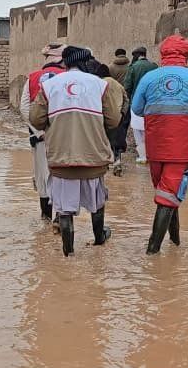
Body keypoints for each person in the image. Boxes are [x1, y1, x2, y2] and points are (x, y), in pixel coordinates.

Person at [30, 47, 124, 256]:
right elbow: (113, 120)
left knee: (64, 208)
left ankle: (69, 253)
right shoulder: (100, 85)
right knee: (97, 201)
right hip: (94, 157)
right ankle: (99, 239)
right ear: (86, 63)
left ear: (65, 63)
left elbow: (35, 119)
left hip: (61, 158)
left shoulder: (49, 86)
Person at [131, 35, 188, 254]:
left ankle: (175, 242)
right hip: (182, 147)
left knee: (166, 195)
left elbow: (137, 108)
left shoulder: (149, 78)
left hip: (155, 146)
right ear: (187, 55)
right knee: (168, 195)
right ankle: (153, 252)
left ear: (162, 54)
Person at [20, 43, 66, 223]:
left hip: (39, 137)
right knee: (63, 176)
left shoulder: (32, 78)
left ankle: (45, 220)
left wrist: (38, 131)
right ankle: (61, 219)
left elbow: (24, 108)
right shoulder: (69, 76)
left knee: (42, 175)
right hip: (64, 137)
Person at [91, 61, 130, 176]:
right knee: (117, 141)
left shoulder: (100, 84)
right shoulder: (118, 84)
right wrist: (122, 113)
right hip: (118, 117)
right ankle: (117, 161)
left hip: (104, 117)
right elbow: (126, 100)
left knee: (105, 141)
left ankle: (106, 164)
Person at [124, 47, 159, 164]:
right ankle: (151, 154)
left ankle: (143, 156)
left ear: (136, 55)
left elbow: (127, 86)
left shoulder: (133, 67)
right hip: (152, 103)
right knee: (149, 129)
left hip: (137, 102)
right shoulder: (154, 66)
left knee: (137, 130)